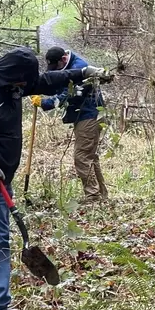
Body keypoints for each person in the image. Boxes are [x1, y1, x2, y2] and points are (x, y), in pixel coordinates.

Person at [0, 47, 110, 310]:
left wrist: (82, 73)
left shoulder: (13, 82)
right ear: (13, 76)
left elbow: (45, 82)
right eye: (24, 82)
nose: (26, 86)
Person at [35, 47, 108, 203]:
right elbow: (58, 84)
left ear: (63, 59)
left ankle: (93, 196)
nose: (57, 70)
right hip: (86, 116)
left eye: (57, 67)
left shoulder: (80, 69)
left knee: (81, 157)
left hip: (89, 115)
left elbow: (69, 95)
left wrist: (45, 103)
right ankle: (100, 194)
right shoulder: (68, 67)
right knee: (90, 156)